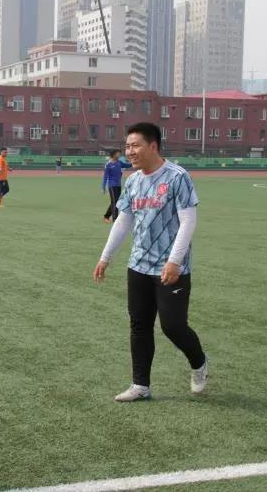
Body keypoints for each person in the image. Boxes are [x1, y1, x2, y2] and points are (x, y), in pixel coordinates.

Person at [93, 122, 208, 403]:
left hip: (171, 268)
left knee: (173, 326)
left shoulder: (177, 177)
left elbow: (188, 221)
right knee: (139, 325)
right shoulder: (133, 181)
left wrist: (174, 261)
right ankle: (140, 385)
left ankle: (199, 363)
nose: (129, 151)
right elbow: (124, 221)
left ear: (153, 146)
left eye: (135, 146)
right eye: (127, 146)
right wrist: (105, 257)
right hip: (139, 266)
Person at [102, 150, 133, 223]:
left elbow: (128, 165)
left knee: (116, 201)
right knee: (114, 202)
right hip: (112, 185)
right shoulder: (108, 165)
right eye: (117, 154)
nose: (119, 155)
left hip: (118, 185)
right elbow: (105, 177)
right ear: (113, 155)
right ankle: (115, 219)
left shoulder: (119, 163)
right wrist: (103, 187)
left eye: (119, 154)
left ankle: (106, 216)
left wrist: (133, 161)